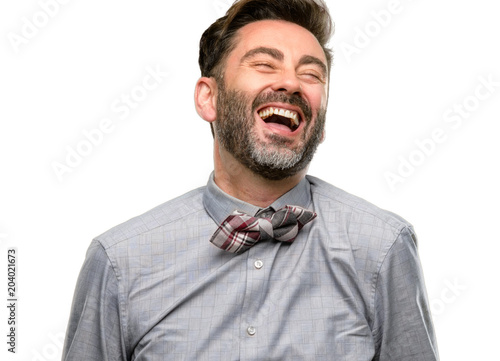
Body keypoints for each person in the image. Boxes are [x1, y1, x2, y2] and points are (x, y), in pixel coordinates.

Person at [62, 0, 439, 360]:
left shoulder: (383, 247)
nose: (291, 83)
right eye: (264, 64)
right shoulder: (120, 261)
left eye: (311, 74)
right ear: (208, 98)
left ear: (320, 122)